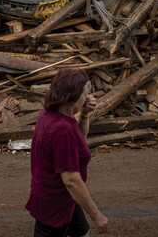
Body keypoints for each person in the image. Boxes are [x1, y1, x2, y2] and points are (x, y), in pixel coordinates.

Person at [26, 68, 109, 237]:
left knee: (82, 232)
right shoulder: (62, 130)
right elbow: (71, 180)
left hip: (65, 197)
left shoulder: (50, 114)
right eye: (85, 94)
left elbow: (78, 144)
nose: (87, 98)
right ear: (73, 97)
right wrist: (96, 215)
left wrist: (84, 115)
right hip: (55, 200)